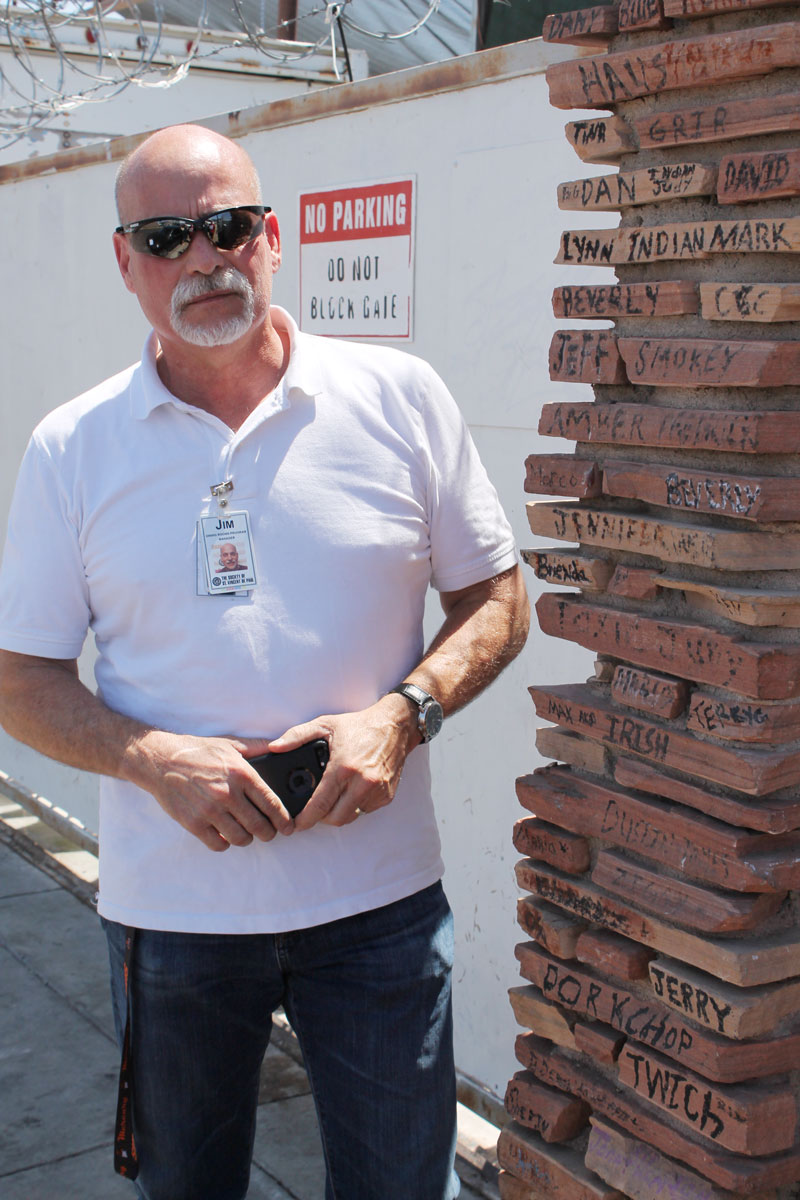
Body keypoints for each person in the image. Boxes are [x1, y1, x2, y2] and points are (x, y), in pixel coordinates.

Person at [0, 124, 529, 1200]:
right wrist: (153, 761)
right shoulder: (74, 445)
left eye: (227, 226)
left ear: (272, 238)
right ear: (125, 261)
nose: (202, 259)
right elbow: (21, 679)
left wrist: (403, 715)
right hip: (174, 922)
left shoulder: (397, 398)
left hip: (379, 911)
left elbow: (499, 600)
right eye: (164, 235)